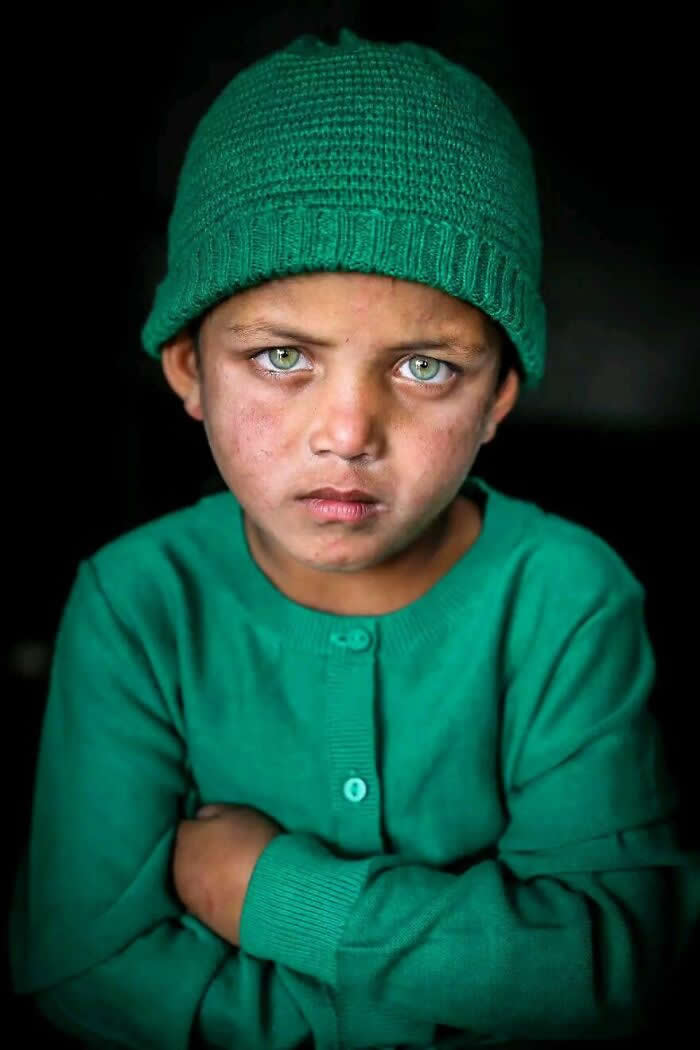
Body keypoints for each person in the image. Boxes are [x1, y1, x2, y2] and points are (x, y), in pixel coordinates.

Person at [8, 25, 699, 1050]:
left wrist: (272, 894)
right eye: (283, 356)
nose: (345, 435)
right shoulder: (136, 602)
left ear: (499, 395)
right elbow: (90, 972)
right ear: (190, 371)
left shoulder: (569, 599)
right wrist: (461, 995)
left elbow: (605, 968)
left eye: (424, 368)